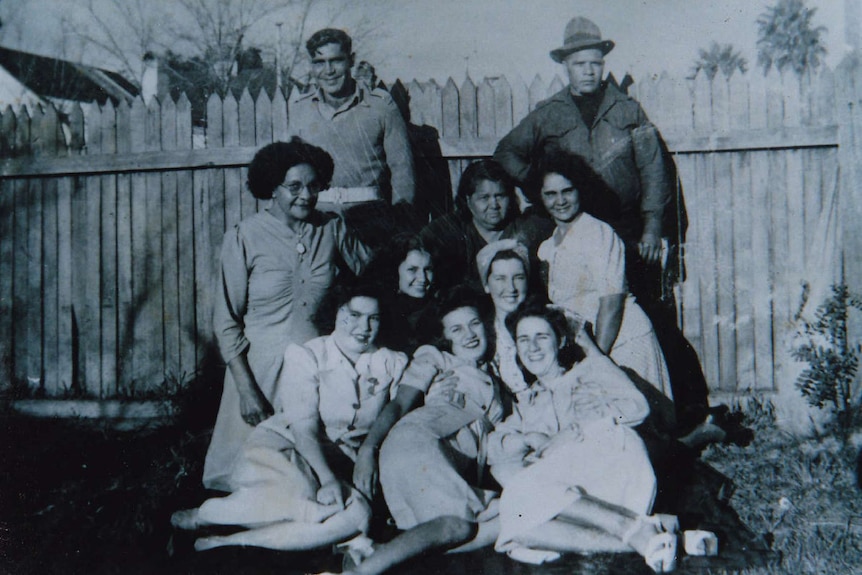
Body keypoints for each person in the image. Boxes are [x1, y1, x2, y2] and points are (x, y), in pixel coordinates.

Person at [173, 282, 414, 551]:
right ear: (335, 313)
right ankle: (209, 514)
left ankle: (226, 541)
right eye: (354, 315)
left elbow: (394, 420)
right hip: (284, 450)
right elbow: (304, 430)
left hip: (340, 465)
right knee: (302, 498)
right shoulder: (307, 355)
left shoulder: (393, 363)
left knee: (359, 518)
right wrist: (328, 480)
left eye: (374, 318)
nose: (364, 327)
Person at [203, 138, 372, 492]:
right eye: (294, 187)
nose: (306, 196)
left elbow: (375, 274)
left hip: (313, 370)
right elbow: (225, 320)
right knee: (248, 474)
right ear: (271, 188)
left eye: (314, 186)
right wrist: (246, 389)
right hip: (258, 373)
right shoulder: (243, 237)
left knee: (311, 472)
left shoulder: (332, 228)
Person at [488, 301, 678, 573]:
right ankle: (649, 536)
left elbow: (638, 407)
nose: (532, 347)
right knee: (519, 527)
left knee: (518, 496)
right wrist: (530, 438)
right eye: (523, 340)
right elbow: (496, 449)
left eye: (542, 337)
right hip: (579, 496)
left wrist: (577, 429)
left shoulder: (591, 369)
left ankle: (633, 528)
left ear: (561, 341)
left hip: (616, 466)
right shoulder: (528, 402)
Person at [493, 16, 670, 304]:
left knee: (630, 298)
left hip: (620, 223)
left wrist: (652, 227)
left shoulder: (628, 110)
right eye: (580, 64)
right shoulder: (548, 113)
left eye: (595, 63)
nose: (589, 71)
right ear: (566, 66)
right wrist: (536, 184)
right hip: (566, 223)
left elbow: (653, 168)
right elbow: (506, 152)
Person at [339, 287, 505, 575]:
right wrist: (368, 449)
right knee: (460, 525)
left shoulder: (497, 374)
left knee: (478, 526)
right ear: (445, 336)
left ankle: (371, 554)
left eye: (474, 323)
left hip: (440, 454)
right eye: (456, 328)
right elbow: (399, 404)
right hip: (418, 441)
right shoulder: (436, 357)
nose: (469, 334)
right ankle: (360, 571)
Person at [535, 151, 674, 425]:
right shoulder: (548, 245)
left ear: (580, 190)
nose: (560, 201)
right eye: (550, 194)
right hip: (591, 344)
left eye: (567, 191)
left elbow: (611, 303)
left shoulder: (597, 232)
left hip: (622, 340)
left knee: (641, 426)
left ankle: (703, 434)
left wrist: (598, 359)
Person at [289, 28, 416, 246]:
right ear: (311, 66)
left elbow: (402, 172)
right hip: (317, 220)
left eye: (336, 60)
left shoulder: (380, 106)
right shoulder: (301, 110)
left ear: (351, 61)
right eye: (320, 62)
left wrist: (401, 229)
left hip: (371, 220)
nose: (328, 71)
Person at [419, 159, 552, 292]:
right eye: (484, 198)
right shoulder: (447, 230)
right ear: (468, 200)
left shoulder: (527, 229)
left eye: (500, 196)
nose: (494, 205)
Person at [475, 239, 541, 396]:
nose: (511, 288)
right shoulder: (480, 334)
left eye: (518, 277)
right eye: (500, 279)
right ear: (486, 285)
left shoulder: (550, 320)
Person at [366, 232, 437, 355]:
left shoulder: (437, 305)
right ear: (394, 270)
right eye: (412, 270)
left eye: (428, 270)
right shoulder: (375, 308)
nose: (423, 278)